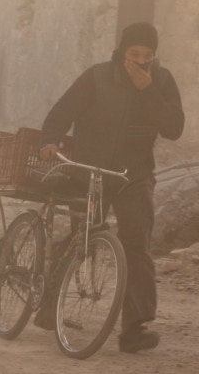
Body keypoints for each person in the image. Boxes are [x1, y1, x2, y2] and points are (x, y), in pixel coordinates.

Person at [39, 22, 184, 353]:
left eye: (147, 55)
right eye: (134, 54)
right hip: (92, 172)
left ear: (155, 56)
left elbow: (174, 128)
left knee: (136, 244)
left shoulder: (161, 81)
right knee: (83, 239)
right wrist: (49, 139)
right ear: (122, 54)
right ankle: (50, 304)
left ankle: (135, 328)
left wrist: (148, 92)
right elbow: (63, 111)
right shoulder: (97, 77)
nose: (141, 61)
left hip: (134, 176)